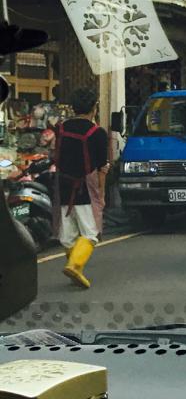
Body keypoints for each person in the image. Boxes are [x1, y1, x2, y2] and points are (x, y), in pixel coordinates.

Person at [54, 87, 110, 289]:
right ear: (94, 108)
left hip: (62, 185)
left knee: (67, 234)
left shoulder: (60, 129)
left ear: (73, 107)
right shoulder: (97, 133)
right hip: (85, 186)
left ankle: (73, 267)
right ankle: (75, 266)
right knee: (90, 232)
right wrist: (101, 194)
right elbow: (102, 168)